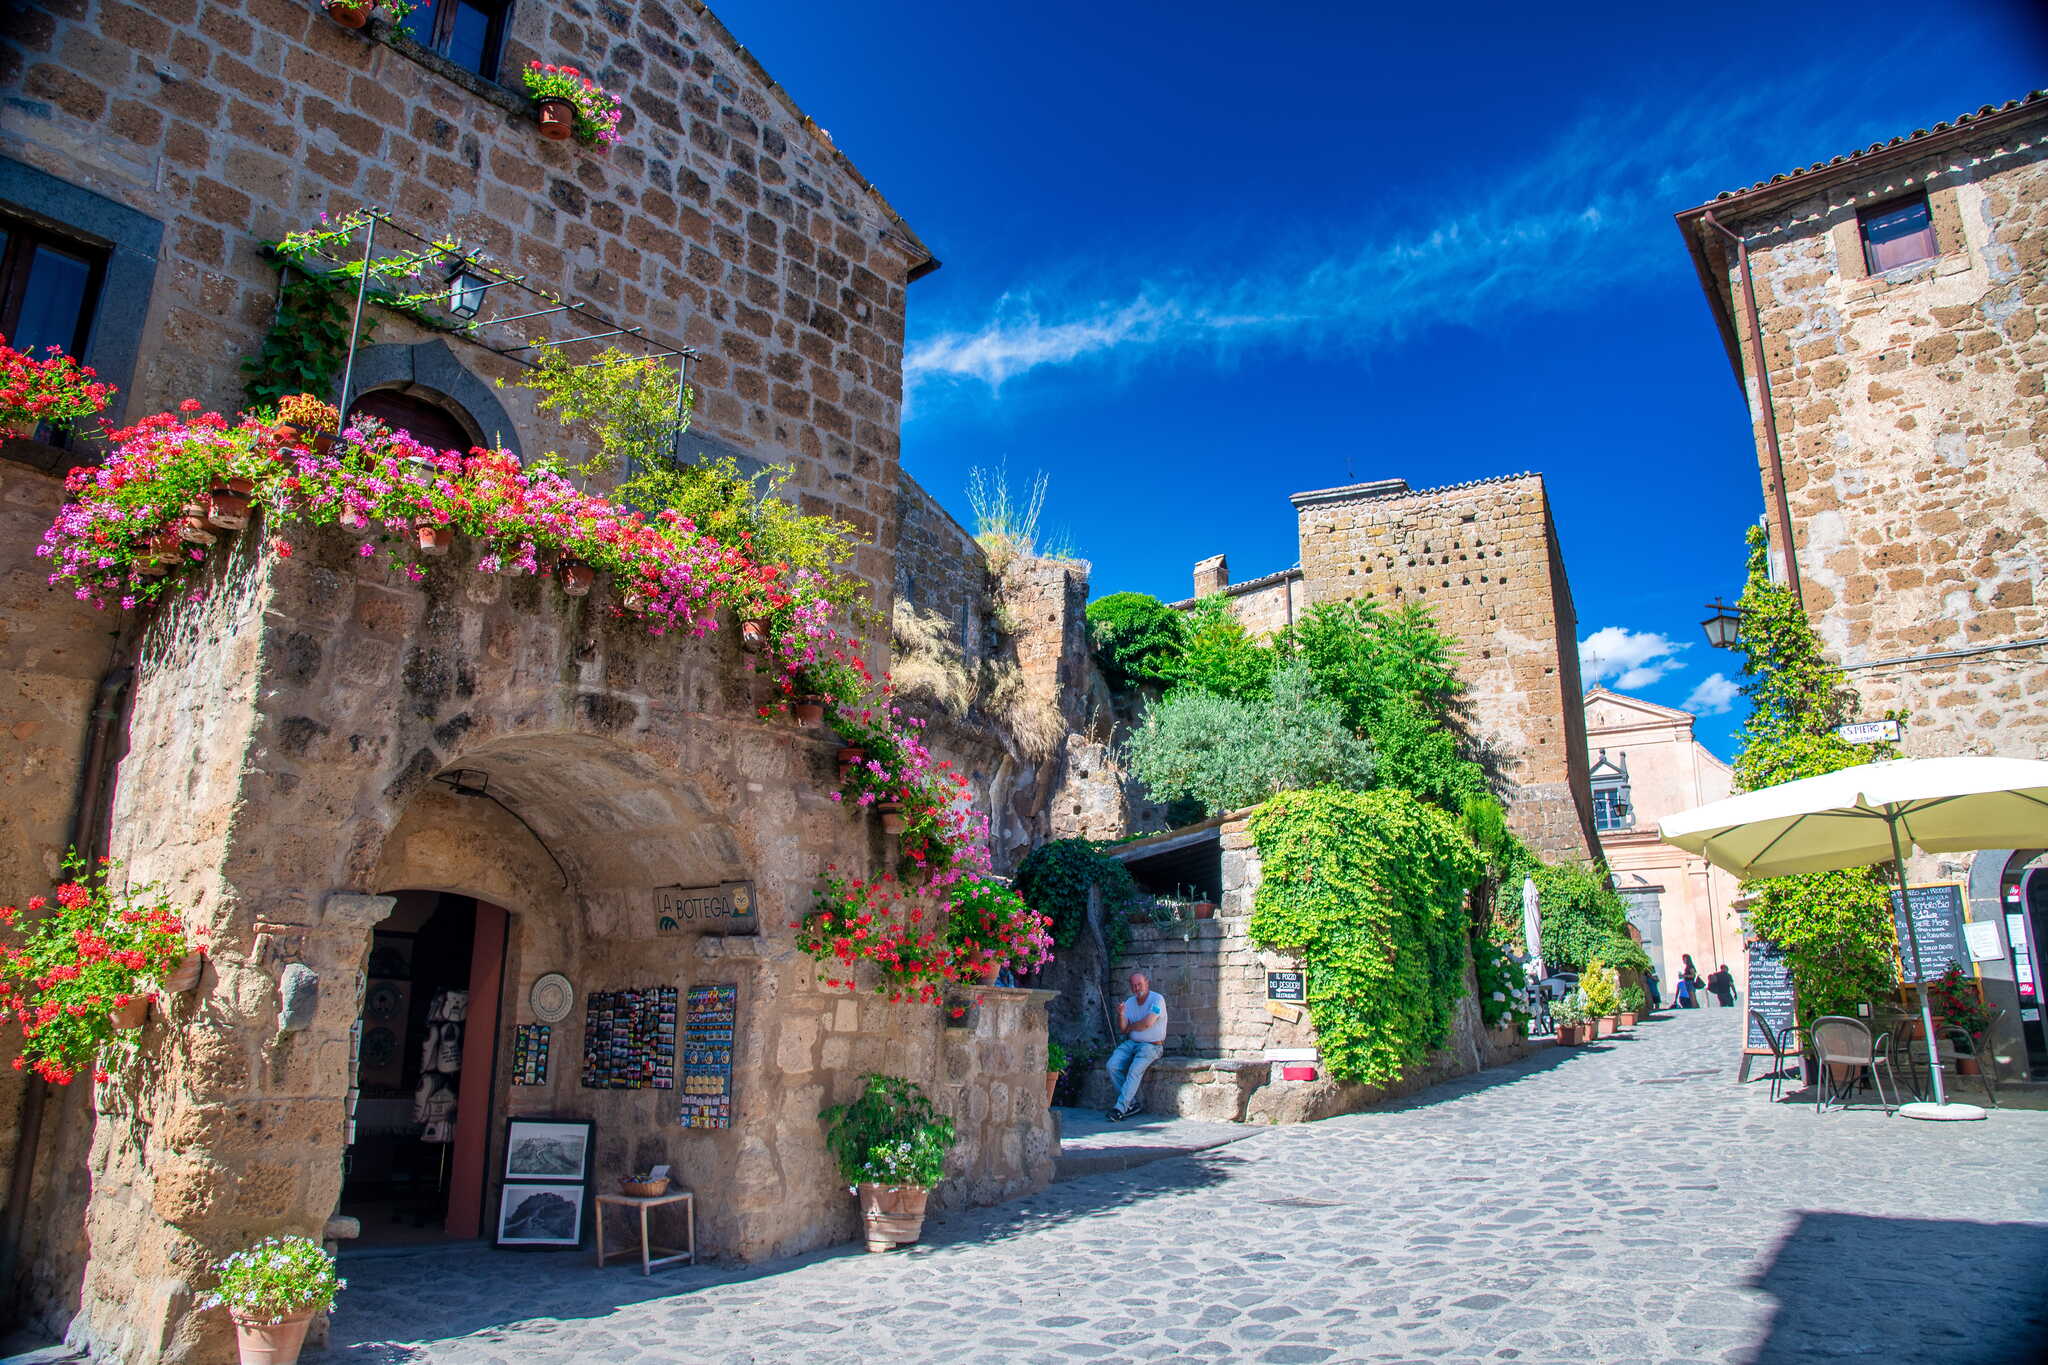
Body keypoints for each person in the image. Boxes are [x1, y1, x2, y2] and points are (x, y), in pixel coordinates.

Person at [1105, 971, 1168, 1121]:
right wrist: (1121, 1014)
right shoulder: (1129, 1002)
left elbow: (1147, 1023)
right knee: (1112, 1065)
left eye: (1139, 984)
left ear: (1147, 983)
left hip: (1152, 1046)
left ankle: (1120, 1109)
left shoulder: (1157, 999)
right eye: (1133, 985)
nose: (1136, 988)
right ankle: (1131, 1104)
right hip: (1132, 1043)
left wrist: (1130, 1027)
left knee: (1134, 1070)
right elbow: (1123, 1028)